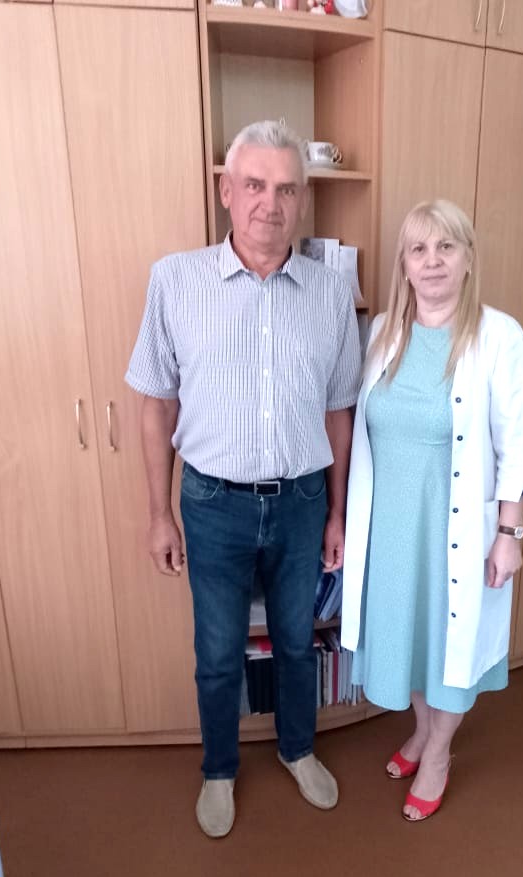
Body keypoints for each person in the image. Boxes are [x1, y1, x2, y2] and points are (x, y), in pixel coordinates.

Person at [125, 120, 361, 838]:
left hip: (301, 501)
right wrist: (159, 514)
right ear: (226, 191)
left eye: (286, 188)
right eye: (254, 184)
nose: (270, 202)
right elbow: (156, 403)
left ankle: (297, 749)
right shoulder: (175, 281)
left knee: (294, 640)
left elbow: (339, 410)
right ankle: (219, 768)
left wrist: (337, 514)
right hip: (211, 503)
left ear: (303, 199)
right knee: (219, 650)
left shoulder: (331, 293)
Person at [341, 199, 523, 822]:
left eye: (446, 247)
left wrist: (509, 532)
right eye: (419, 249)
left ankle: (439, 754)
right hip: (390, 530)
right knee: (413, 639)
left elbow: (517, 444)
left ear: (468, 258)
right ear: (404, 263)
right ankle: (423, 731)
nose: (432, 261)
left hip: (456, 530)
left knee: (450, 643)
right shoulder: (383, 333)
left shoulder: (499, 337)